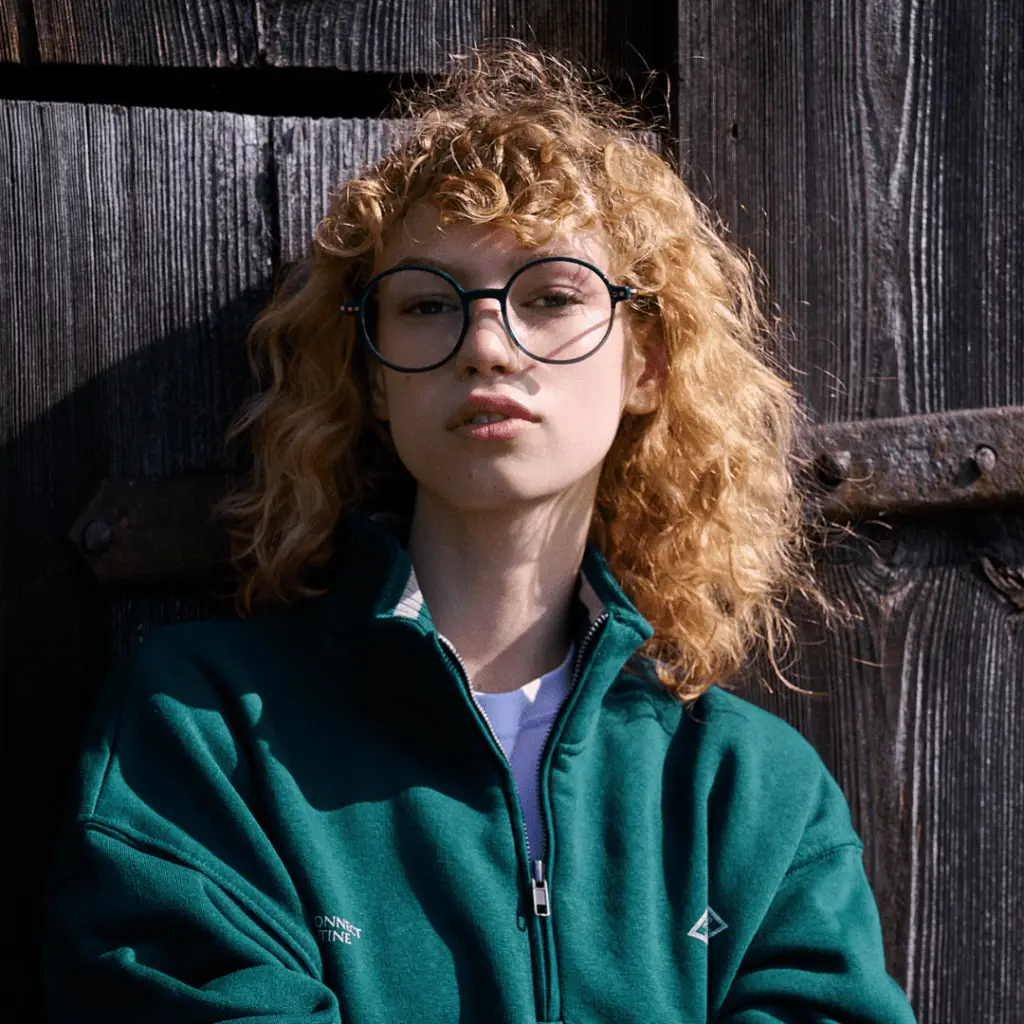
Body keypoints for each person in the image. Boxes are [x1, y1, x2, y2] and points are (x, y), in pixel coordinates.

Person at [41, 42, 918, 1024]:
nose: (489, 344)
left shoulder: (750, 795)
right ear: (374, 375)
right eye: (428, 304)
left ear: (647, 362)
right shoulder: (207, 730)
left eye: (552, 296)